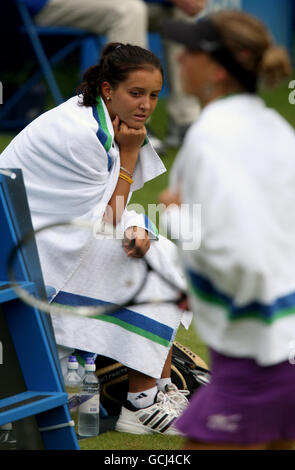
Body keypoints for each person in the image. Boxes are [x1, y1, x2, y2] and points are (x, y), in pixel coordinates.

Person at [1, 43, 192, 435]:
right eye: (135, 93)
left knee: (159, 251)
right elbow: (103, 222)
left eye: (154, 95)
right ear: (108, 89)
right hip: (30, 247)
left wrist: (138, 227)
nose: (145, 105)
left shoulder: (95, 118)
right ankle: (142, 404)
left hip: (37, 234)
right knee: (157, 264)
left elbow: (103, 212)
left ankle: (155, 390)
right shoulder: (84, 134)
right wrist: (130, 158)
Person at [160, 10, 295, 450]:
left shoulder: (211, 136)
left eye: (191, 52)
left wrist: (174, 216)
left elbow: (241, 255)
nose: (179, 61)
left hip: (257, 352)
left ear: (217, 68)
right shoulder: (276, 128)